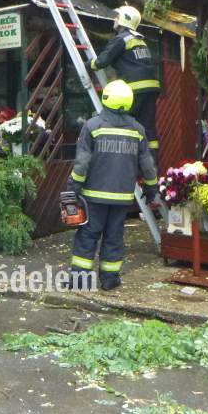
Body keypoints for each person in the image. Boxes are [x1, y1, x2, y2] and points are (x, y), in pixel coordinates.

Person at [66, 80, 159, 291]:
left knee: (88, 236)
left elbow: (82, 163)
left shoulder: (93, 126)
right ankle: (109, 279)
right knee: (114, 238)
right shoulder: (137, 130)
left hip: (94, 197)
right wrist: (151, 188)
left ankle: (80, 281)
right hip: (122, 198)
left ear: (105, 99)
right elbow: (147, 163)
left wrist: (73, 188)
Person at [90, 5, 161, 163]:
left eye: (117, 16)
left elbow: (103, 61)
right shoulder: (139, 40)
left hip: (134, 88)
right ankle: (152, 166)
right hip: (151, 88)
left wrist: (90, 64)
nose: (114, 19)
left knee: (122, 122)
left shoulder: (121, 38)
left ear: (124, 19)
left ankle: (123, 160)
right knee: (148, 127)